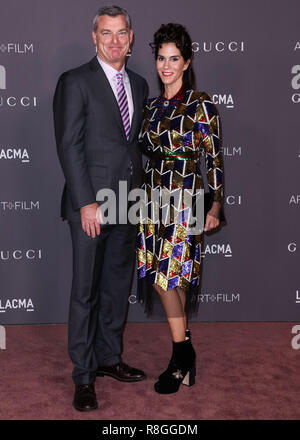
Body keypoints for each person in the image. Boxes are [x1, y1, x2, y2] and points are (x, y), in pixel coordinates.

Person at [53, 6, 148, 412]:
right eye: (106, 33)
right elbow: (69, 146)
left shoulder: (141, 84)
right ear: (94, 37)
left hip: (129, 202)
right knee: (85, 292)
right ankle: (84, 375)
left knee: (115, 288)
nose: (114, 40)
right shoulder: (75, 81)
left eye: (121, 32)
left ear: (130, 36)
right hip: (92, 205)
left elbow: (135, 147)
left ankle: (109, 359)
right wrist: (87, 202)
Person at [137, 23, 224, 394]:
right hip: (151, 200)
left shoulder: (202, 105)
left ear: (187, 62)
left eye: (174, 58)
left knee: (168, 277)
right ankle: (185, 353)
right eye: (161, 58)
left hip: (186, 199)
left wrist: (216, 204)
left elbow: (215, 160)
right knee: (172, 278)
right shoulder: (151, 106)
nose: (166, 65)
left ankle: (180, 356)